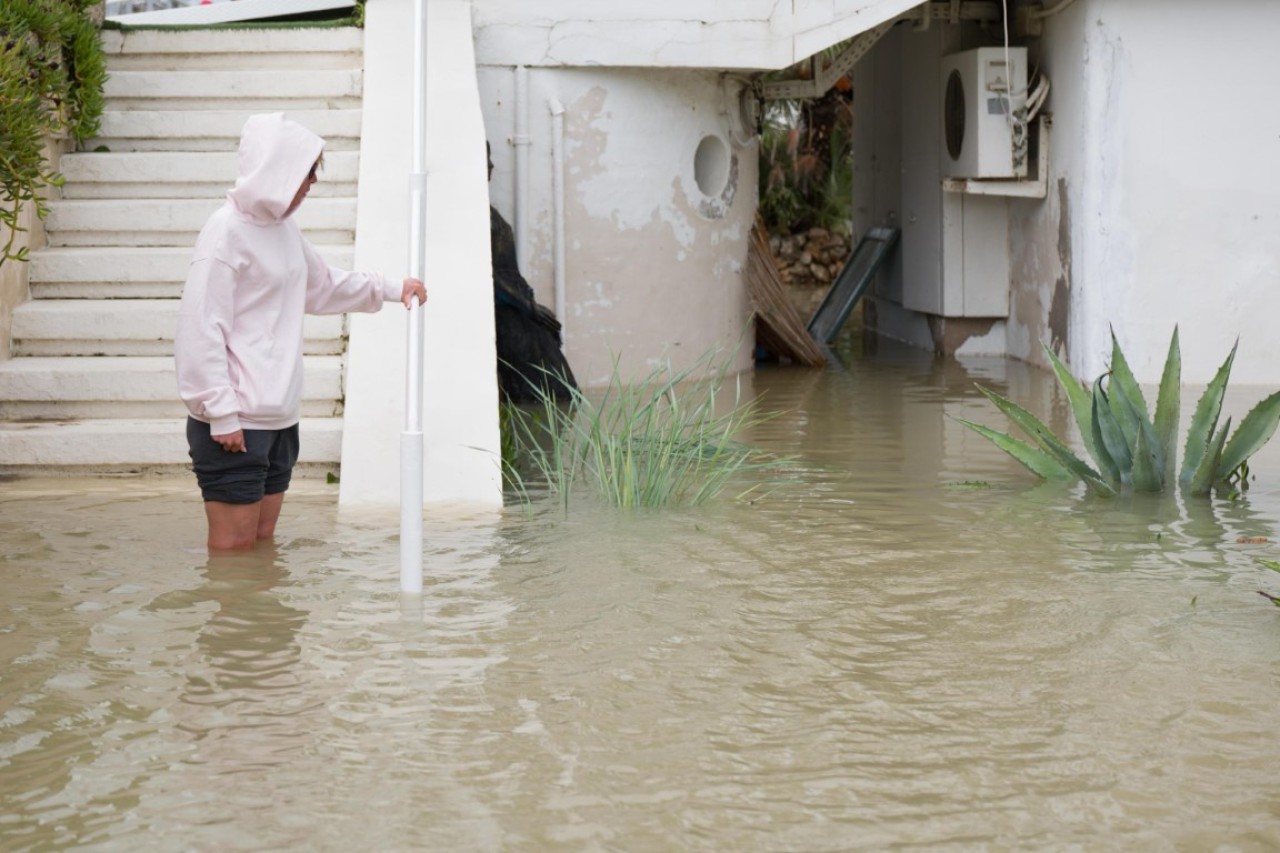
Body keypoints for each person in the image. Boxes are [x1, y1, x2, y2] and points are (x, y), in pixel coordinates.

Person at [176, 113, 426, 551]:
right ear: (278, 171)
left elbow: (322, 286)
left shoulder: (282, 230)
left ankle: (268, 623)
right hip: (235, 424)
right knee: (233, 554)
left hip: (279, 420)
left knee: (260, 545)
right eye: (308, 172)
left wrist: (391, 288)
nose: (312, 183)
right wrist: (221, 411)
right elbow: (200, 328)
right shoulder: (224, 234)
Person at [487, 143, 577, 403]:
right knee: (546, 387)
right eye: (486, 159)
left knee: (558, 383)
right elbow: (490, 277)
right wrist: (531, 308)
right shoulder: (480, 218)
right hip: (510, 314)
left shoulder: (490, 215)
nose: (492, 166)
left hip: (519, 309)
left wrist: (531, 309)